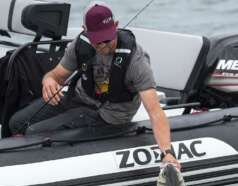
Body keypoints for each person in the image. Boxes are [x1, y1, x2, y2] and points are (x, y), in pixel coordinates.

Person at [9, 1, 181, 169]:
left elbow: (155, 112)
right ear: (85, 32)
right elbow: (56, 75)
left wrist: (167, 152)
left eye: (107, 38)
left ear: (116, 25)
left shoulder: (136, 60)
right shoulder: (80, 45)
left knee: (35, 132)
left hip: (109, 114)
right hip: (79, 98)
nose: (103, 45)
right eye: (97, 40)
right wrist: (49, 80)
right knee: (16, 123)